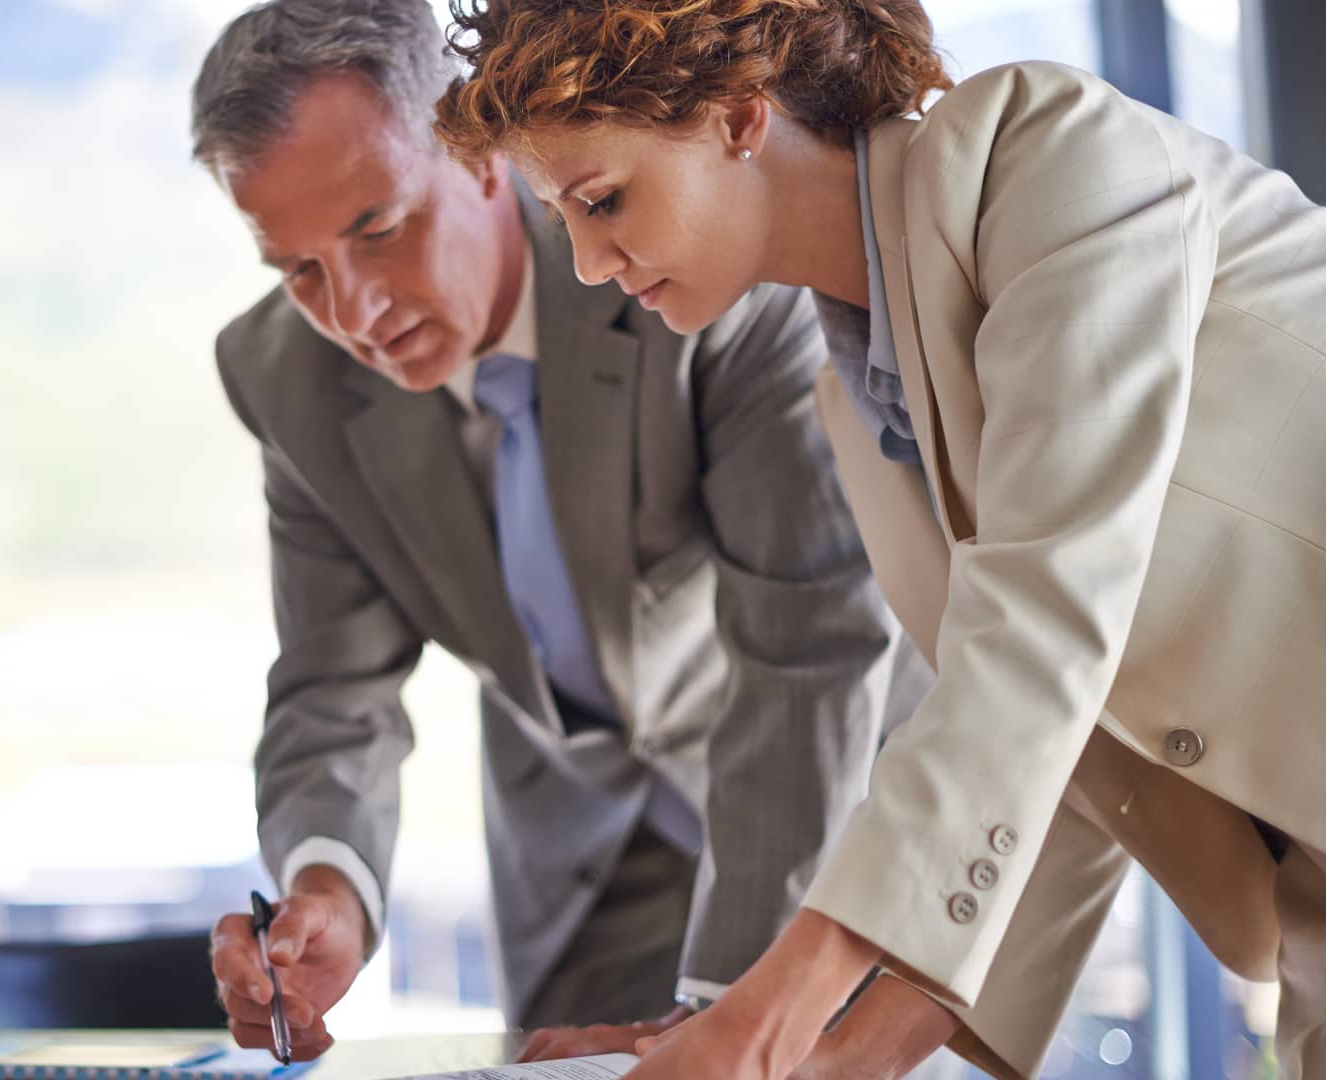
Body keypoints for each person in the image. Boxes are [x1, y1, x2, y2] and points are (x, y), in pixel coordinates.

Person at [435, 1, 1326, 1077]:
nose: (589, 266)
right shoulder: (859, 409)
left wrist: (766, 1028)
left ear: (738, 118)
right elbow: (1055, 767)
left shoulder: (1050, 157)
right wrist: (816, 1051)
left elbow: (1038, 641)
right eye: (563, 221)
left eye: (602, 200)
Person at [189, 0, 925, 1065]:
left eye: (379, 229)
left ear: (479, 148)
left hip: (827, 813)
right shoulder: (281, 376)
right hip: (575, 874)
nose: (353, 311)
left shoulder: (683, 253)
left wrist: (732, 1006)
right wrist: (328, 891)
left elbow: (809, 643)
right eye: (298, 271)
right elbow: (330, 687)